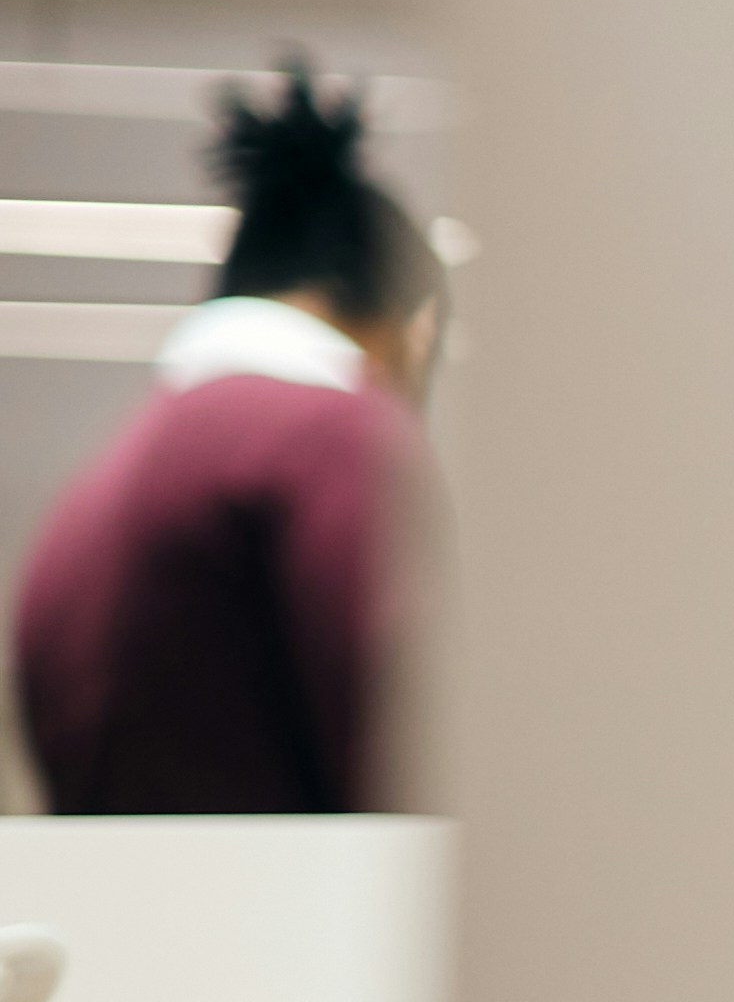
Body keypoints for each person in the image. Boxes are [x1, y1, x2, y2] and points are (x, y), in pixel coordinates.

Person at [14, 60, 441, 814]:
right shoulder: (325, 435)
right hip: (303, 922)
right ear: (407, 328)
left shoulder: (106, 477)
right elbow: (403, 746)